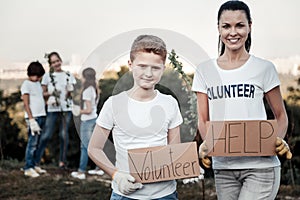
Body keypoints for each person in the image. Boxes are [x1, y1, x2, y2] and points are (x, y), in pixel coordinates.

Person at [192, 1, 292, 199]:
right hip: (223, 168)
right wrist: (207, 145)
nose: (233, 32)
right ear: (218, 28)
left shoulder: (264, 68)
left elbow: (280, 116)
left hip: (260, 167)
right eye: (226, 26)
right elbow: (203, 120)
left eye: (240, 25)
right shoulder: (204, 71)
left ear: (250, 26)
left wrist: (278, 139)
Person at [88, 35, 183, 199]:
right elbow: (94, 149)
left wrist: (187, 164)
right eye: (142, 66)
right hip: (125, 195)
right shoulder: (114, 104)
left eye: (155, 68)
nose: (148, 73)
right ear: (130, 65)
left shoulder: (170, 103)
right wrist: (116, 175)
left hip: (165, 194)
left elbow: (174, 150)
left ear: (163, 68)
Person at [35, 52, 76, 169]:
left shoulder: (68, 75)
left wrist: (70, 92)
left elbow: (71, 93)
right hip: (53, 108)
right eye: (53, 62)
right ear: (50, 64)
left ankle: (62, 162)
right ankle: (36, 161)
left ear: (61, 61)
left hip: (66, 109)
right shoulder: (48, 77)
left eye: (57, 61)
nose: (56, 63)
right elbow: (42, 94)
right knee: (46, 135)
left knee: (63, 135)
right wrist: (52, 93)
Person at [70, 67, 104, 179]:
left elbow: (88, 110)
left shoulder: (86, 91)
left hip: (87, 121)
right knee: (95, 146)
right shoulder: (94, 89)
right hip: (95, 119)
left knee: (84, 147)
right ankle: (99, 169)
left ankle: (81, 171)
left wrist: (78, 110)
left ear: (85, 77)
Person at [21, 61, 47, 177]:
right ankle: (28, 167)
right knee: (32, 143)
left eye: (39, 76)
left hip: (41, 115)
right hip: (33, 118)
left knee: (39, 143)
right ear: (30, 74)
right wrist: (31, 120)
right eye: (35, 75)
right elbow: (26, 104)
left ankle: (35, 165)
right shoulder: (26, 84)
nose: (37, 78)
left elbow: (39, 99)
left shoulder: (37, 84)